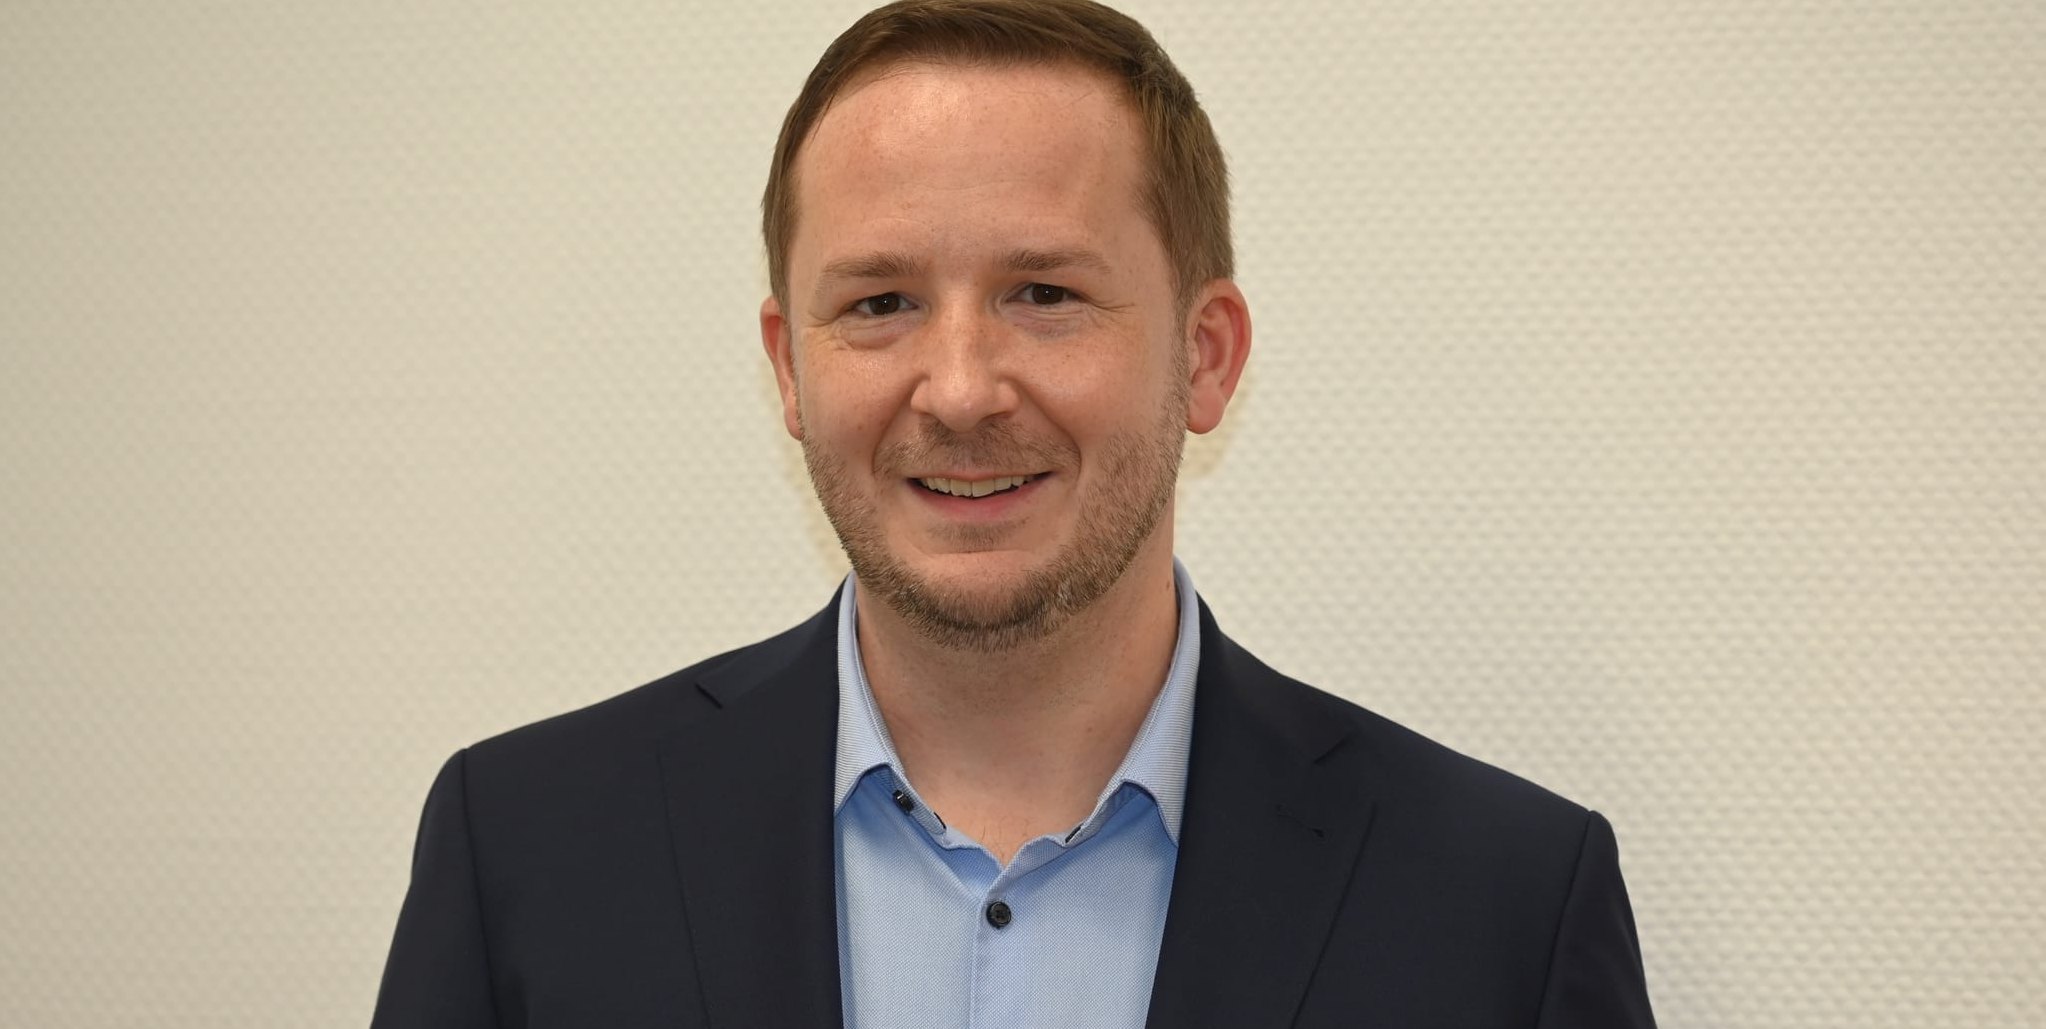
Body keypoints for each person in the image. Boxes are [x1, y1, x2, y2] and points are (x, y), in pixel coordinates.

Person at [369, 1, 1658, 1026]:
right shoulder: (524, 850)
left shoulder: (1507, 909)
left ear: (1205, 357)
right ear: (788, 370)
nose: (961, 389)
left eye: (1044, 294)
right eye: (879, 303)